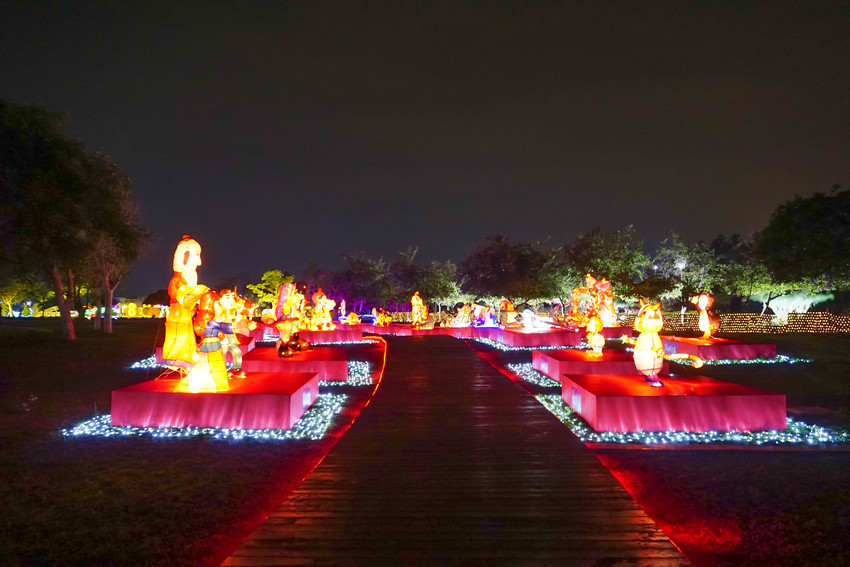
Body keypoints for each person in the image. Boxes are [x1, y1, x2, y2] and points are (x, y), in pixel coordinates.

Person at [162, 235, 209, 370]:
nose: (199, 261)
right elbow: (180, 296)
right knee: (180, 336)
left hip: (186, 312)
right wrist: (198, 293)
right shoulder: (178, 279)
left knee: (187, 335)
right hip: (179, 313)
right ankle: (178, 361)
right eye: (196, 254)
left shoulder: (190, 275)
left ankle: (187, 359)